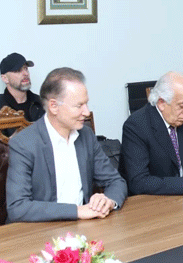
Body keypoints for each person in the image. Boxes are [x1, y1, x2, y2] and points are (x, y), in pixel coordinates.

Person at [6, 67, 127, 222]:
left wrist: (108, 201)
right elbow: (18, 207)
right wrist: (77, 211)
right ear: (53, 106)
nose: (87, 112)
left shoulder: (86, 135)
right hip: (37, 232)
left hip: (82, 230)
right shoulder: (23, 143)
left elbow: (116, 181)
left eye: (86, 104)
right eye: (79, 105)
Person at [0, 53, 44, 136]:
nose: (25, 73)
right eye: (18, 70)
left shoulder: (41, 103)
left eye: (26, 69)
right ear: (5, 78)